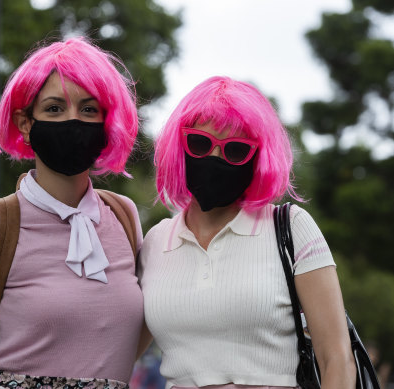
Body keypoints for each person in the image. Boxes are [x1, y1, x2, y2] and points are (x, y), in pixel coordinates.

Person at [0, 37, 144, 388]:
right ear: (26, 123)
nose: (74, 121)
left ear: (107, 123)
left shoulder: (124, 217)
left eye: (89, 109)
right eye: (55, 108)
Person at [138, 76, 357, 389]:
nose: (214, 159)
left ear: (258, 158)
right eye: (199, 143)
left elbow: (336, 357)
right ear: (178, 144)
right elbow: (116, 353)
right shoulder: (154, 243)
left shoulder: (292, 227)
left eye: (236, 150)